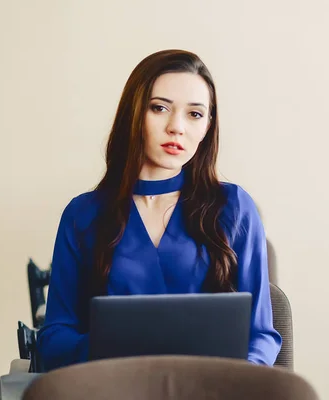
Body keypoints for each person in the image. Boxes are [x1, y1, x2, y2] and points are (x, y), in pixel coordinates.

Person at [36, 49, 282, 371]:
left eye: (194, 114)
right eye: (160, 108)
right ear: (134, 114)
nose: (176, 127)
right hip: (116, 388)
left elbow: (261, 335)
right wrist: (115, 344)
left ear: (208, 126)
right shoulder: (84, 214)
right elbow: (55, 338)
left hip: (212, 389)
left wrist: (236, 382)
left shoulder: (233, 207)